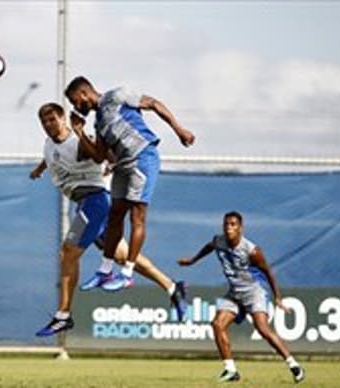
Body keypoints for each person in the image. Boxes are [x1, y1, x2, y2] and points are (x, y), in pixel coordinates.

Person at [31, 102, 187, 337]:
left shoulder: (78, 139)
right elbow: (52, 155)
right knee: (121, 255)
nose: (48, 124)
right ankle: (173, 287)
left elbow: (100, 151)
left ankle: (63, 315)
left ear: (63, 119)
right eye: (44, 121)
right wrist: (40, 168)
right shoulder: (49, 142)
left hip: (94, 200)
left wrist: (112, 162)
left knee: (68, 254)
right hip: (86, 203)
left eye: (52, 119)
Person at [65, 76, 195, 292]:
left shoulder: (117, 96)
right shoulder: (99, 122)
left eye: (75, 101)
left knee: (137, 216)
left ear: (83, 94)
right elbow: (99, 155)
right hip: (123, 165)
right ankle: (104, 271)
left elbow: (153, 104)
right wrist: (79, 132)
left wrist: (179, 129)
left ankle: (127, 274)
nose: (75, 106)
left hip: (143, 157)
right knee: (115, 215)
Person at [177, 211, 305, 383]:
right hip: (234, 293)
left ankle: (294, 365)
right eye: (226, 224)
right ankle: (231, 370)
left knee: (263, 329)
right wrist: (193, 260)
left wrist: (277, 297)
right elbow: (210, 246)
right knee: (217, 324)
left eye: (233, 225)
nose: (229, 228)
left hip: (254, 292)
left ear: (240, 228)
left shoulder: (252, 251)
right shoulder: (219, 240)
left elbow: (268, 272)